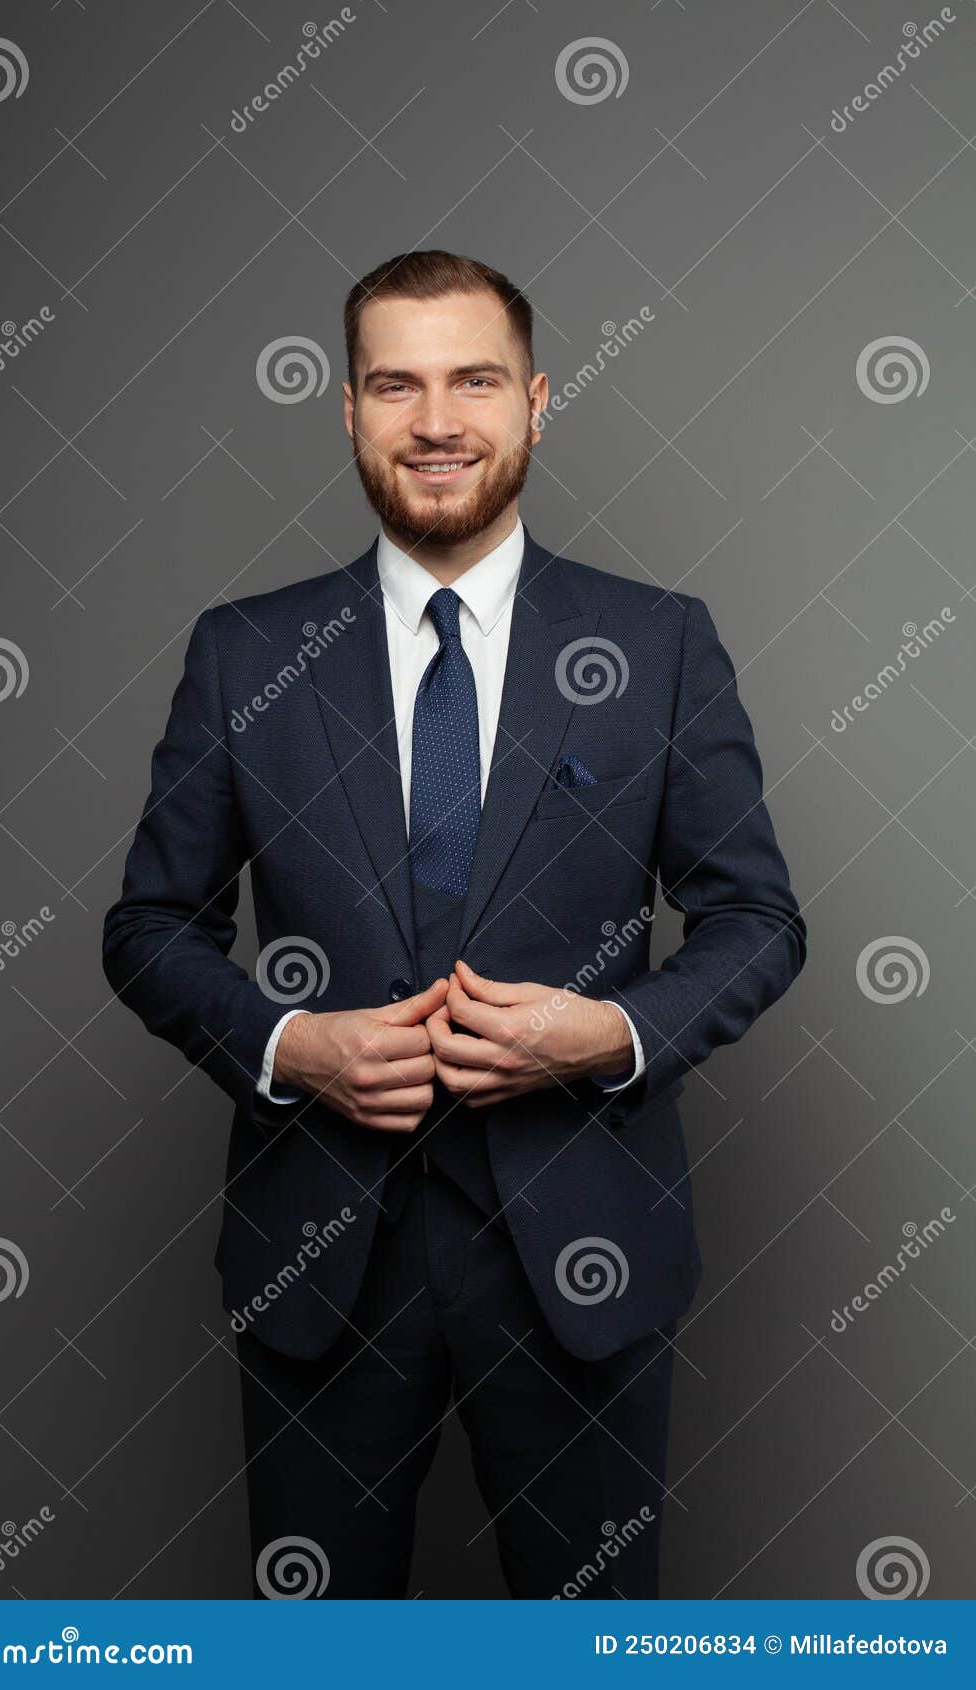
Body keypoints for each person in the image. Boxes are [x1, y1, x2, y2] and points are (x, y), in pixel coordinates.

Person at [102, 249, 806, 1599]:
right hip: (320, 1266)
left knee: (587, 1655)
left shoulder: (656, 645)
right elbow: (150, 927)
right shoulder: (247, 655)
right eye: (396, 384)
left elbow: (756, 916)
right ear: (350, 412)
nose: (436, 420)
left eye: (474, 379)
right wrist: (289, 1043)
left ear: (537, 402)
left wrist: (610, 1031)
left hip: (582, 1258)